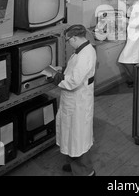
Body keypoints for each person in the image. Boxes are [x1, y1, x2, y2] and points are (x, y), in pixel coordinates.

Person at [53, 24, 96, 176]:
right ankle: (74, 165)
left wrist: (55, 77)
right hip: (76, 101)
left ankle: (86, 171)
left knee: (78, 138)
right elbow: (76, 69)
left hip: (78, 102)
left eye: (68, 40)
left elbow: (72, 82)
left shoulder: (84, 55)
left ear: (75, 38)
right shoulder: (84, 49)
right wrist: (64, 69)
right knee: (73, 136)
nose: (68, 43)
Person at [118, 0, 139, 88]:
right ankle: (135, 81)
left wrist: (125, 21)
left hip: (137, 38)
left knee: (125, 59)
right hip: (135, 37)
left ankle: (135, 80)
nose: (126, 4)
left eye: (126, 1)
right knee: (134, 60)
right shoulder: (135, 6)